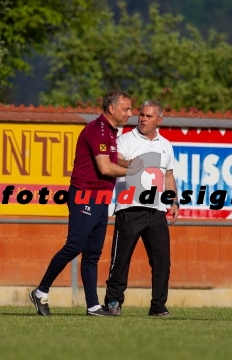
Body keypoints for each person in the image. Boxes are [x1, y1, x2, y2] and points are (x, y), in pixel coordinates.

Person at [30, 90, 136, 316]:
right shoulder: (96, 130)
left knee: (92, 254)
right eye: (126, 109)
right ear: (112, 109)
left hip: (101, 198)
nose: (130, 113)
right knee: (74, 246)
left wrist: (135, 163)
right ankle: (40, 292)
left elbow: (114, 159)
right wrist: (135, 170)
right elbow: (105, 168)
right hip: (84, 195)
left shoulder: (110, 132)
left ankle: (93, 306)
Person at [104, 100, 179, 317]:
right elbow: (113, 159)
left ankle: (157, 306)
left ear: (159, 120)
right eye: (142, 115)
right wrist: (129, 163)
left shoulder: (166, 145)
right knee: (121, 259)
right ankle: (113, 302)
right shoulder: (126, 140)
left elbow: (169, 176)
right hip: (130, 208)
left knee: (162, 261)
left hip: (156, 210)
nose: (143, 119)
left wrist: (173, 202)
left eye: (149, 116)